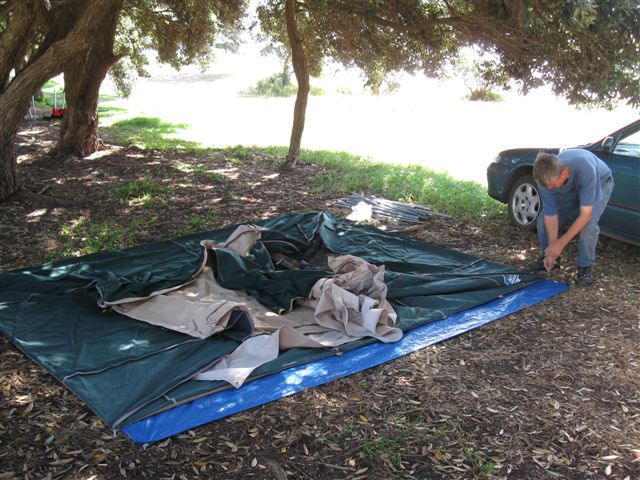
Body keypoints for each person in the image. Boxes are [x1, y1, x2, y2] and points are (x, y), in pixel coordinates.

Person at [531, 149, 614, 286]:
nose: (549, 188)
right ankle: (550, 260)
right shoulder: (546, 180)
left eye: (551, 185)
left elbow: (585, 215)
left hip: (600, 181)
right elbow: (551, 215)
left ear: (564, 173)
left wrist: (560, 244)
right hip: (569, 187)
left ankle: (585, 267)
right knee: (542, 221)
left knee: (588, 225)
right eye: (547, 186)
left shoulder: (585, 168)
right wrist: (553, 248)